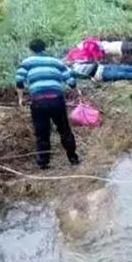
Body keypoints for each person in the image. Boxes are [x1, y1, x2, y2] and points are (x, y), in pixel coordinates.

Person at [16, 39, 80, 170]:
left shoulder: (27, 63)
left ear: (31, 49)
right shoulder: (56, 62)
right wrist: (76, 91)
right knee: (64, 130)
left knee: (42, 133)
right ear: (45, 48)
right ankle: (73, 158)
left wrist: (21, 98)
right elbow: (70, 80)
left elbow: (19, 80)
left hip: (38, 102)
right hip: (56, 100)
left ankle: (43, 162)